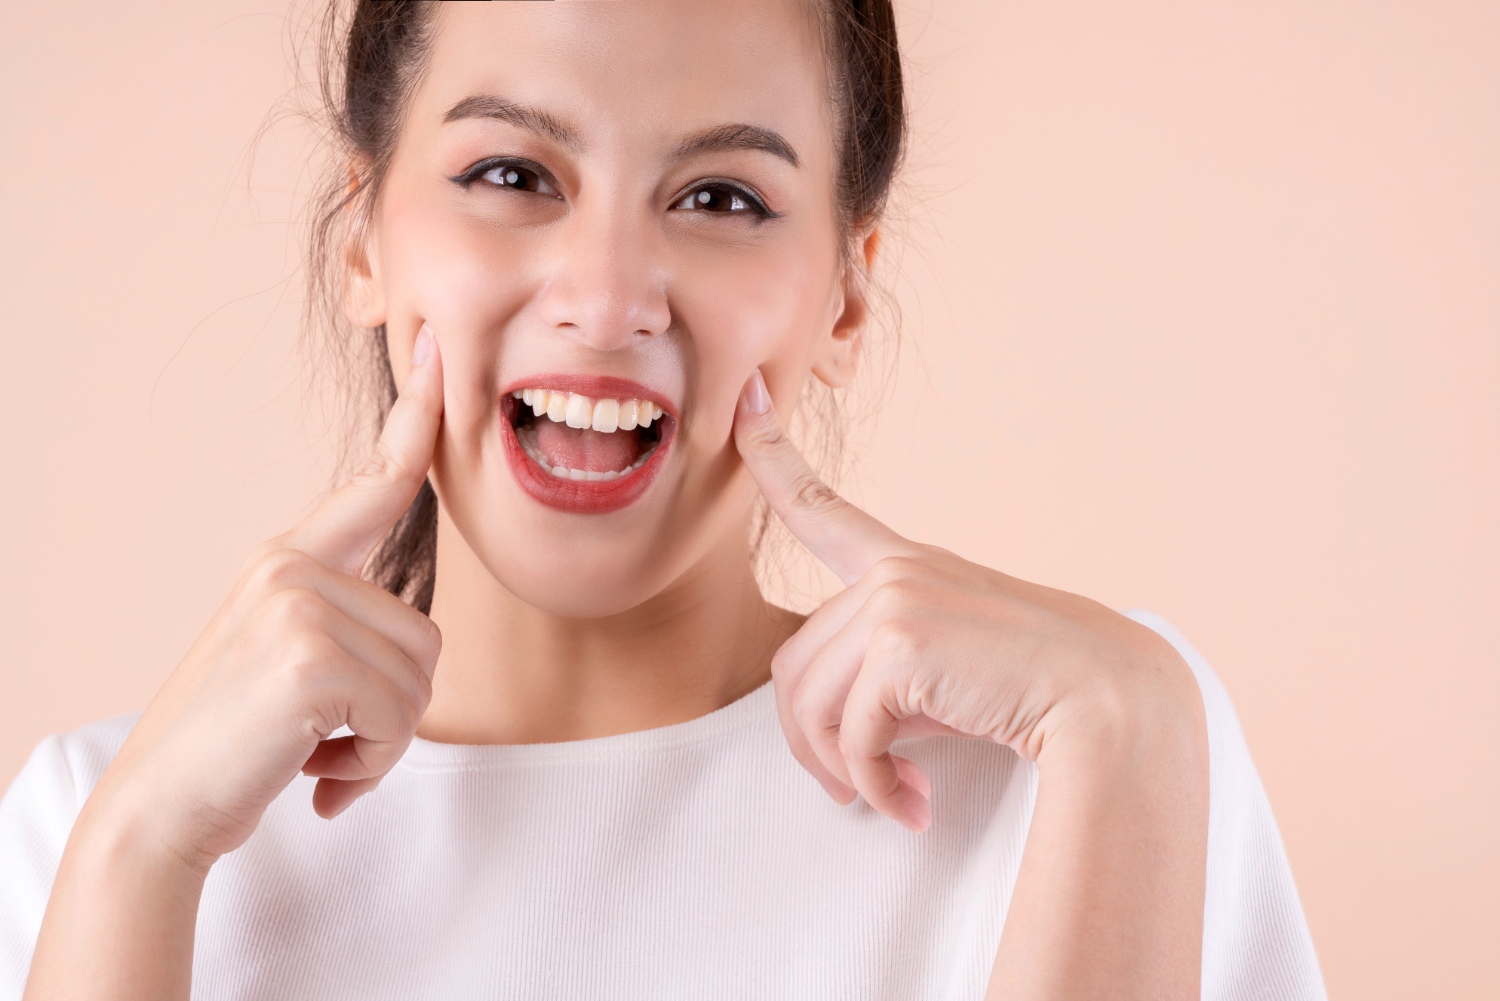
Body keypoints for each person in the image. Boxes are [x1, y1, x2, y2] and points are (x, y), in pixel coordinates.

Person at [0, 2, 1325, 998]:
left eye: (720, 196)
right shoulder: (103, 819)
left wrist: (1134, 722)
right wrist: (137, 855)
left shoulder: (1090, 755)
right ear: (364, 239)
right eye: (512, 173)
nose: (609, 295)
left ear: (845, 297)